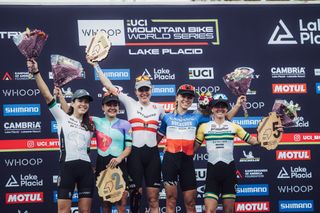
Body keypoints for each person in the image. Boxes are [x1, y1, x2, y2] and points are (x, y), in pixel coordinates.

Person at [86, 56, 165, 213]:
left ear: (151, 90)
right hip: (134, 154)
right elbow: (107, 84)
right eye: (141, 90)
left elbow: (172, 123)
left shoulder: (159, 108)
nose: (144, 93)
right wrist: (96, 65)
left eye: (146, 89)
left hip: (152, 155)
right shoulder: (130, 103)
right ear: (135, 91)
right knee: (135, 196)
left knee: (153, 198)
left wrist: (158, 138)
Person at [157, 85, 243, 213]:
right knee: (171, 200)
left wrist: (237, 106)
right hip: (170, 160)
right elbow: (155, 140)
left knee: (191, 202)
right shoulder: (166, 117)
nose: (186, 99)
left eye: (190, 97)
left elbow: (223, 119)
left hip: (187, 162)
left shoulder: (197, 117)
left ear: (193, 100)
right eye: (183, 96)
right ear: (177, 97)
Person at [27, 59, 95, 213]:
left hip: (86, 170)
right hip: (67, 168)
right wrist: (36, 72)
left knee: (85, 211)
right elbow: (46, 95)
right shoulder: (62, 117)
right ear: (73, 102)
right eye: (80, 101)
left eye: (86, 102)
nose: (83, 104)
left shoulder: (90, 126)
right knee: (63, 211)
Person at [194, 93, 262, 213]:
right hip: (212, 173)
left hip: (229, 173)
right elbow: (193, 149)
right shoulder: (204, 127)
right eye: (217, 106)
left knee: (229, 210)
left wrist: (271, 134)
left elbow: (254, 141)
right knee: (209, 210)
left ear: (227, 109)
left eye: (223, 106)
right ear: (212, 109)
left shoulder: (234, 126)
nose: (220, 109)